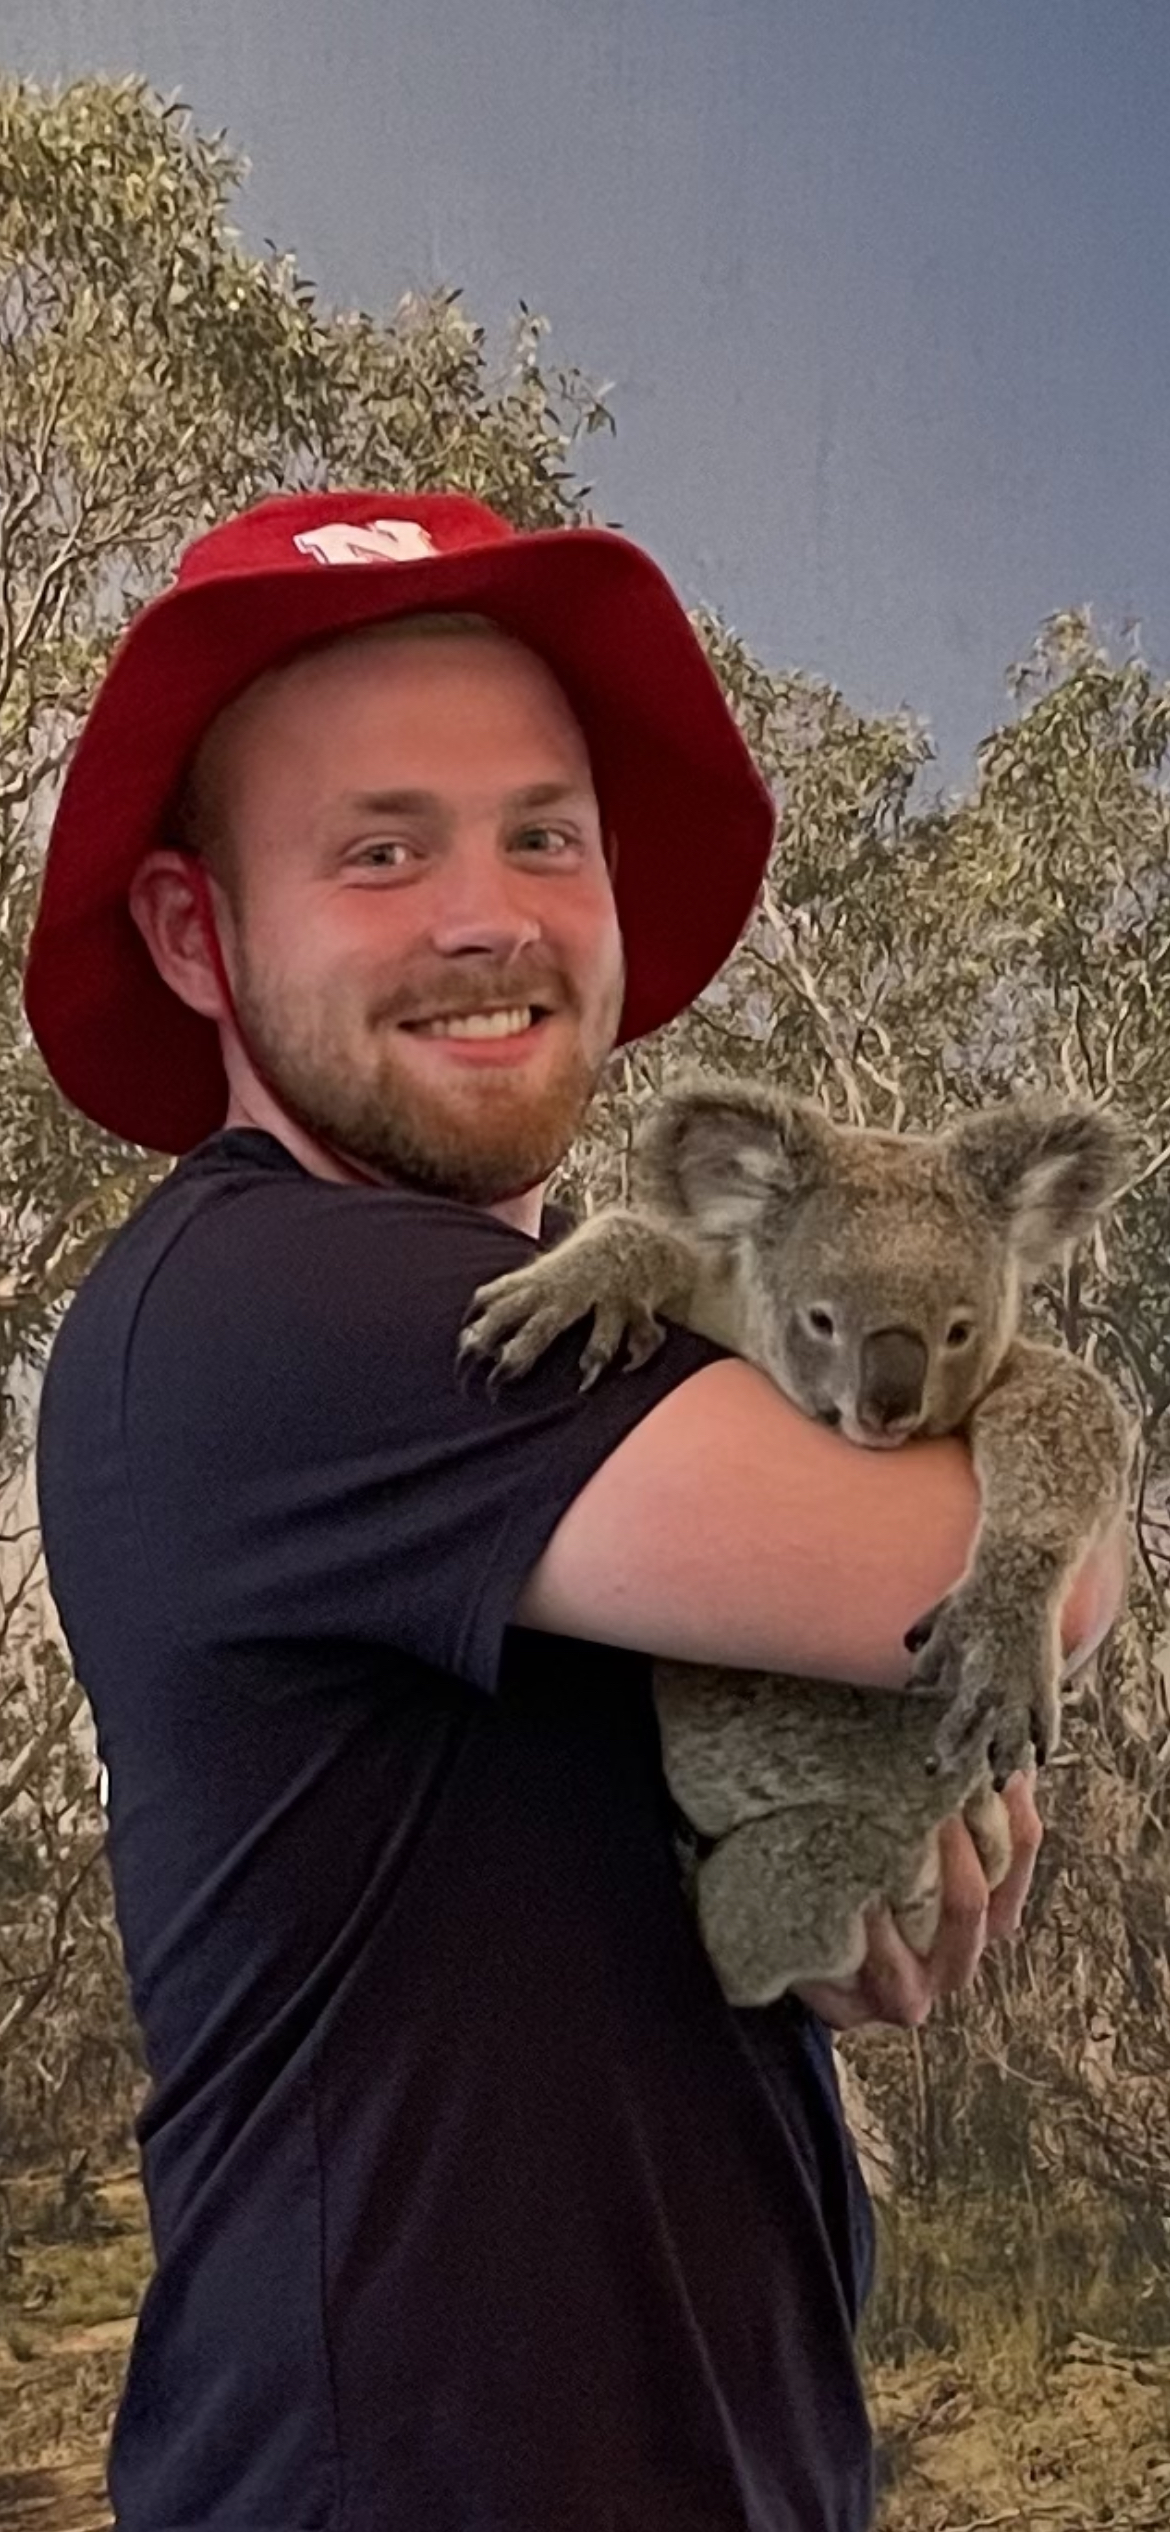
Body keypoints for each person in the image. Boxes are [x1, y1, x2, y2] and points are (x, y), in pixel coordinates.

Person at [26, 491, 1121, 2532]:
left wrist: (827, 1903)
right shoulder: (285, 1309)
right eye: (380, 848)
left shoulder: (614, 1388)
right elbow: (981, 1582)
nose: (487, 912)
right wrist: (1038, 1472)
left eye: (545, 832)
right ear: (194, 932)